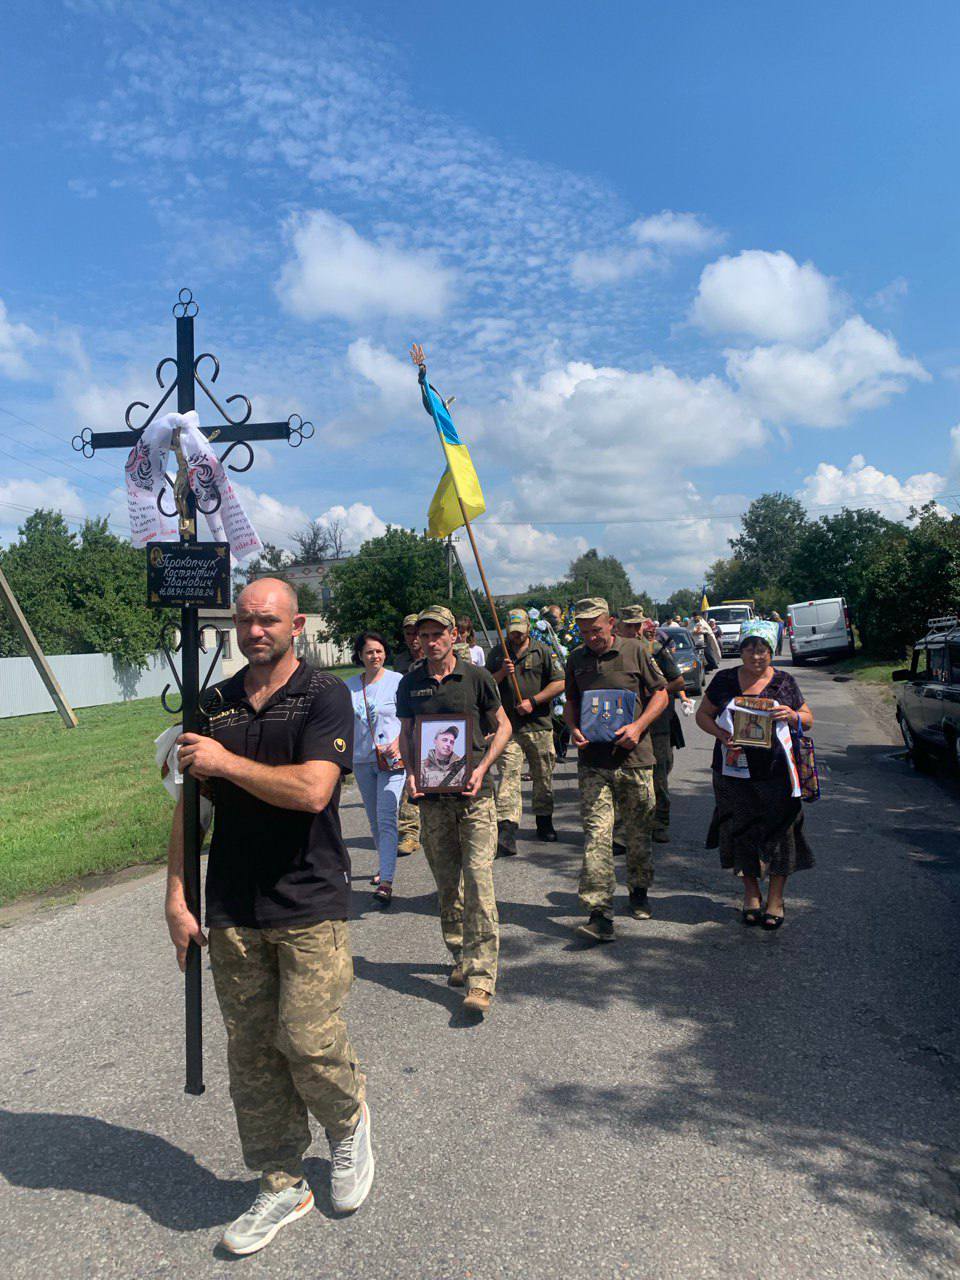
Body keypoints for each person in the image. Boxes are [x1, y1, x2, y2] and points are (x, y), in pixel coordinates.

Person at [167, 578, 372, 1257]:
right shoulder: (212, 703)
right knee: (252, 1055)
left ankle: (347, 1127)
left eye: (269, 620)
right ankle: (282, 1180)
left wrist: (227, 760)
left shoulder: (325, 695)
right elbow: (188, 806)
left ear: (297, 624)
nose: (256, 632)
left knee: (307, 1040)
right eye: (247, 621)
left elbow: (315, 790)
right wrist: (176, 895)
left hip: (308, 898)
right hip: (230, 903)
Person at [397, 605, 512, 1015]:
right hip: (432, 803)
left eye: (437, 634)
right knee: (447, 886)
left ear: (453, 636)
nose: (429, 641)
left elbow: (503, 725)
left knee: (479, 881)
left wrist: (483, 767)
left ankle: (482, 979)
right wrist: (411, 773)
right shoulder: (410, 684)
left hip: (474, 798)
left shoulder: (476, 677)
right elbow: (408, 733)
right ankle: (461, 955)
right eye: (423, 635)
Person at [695, 619, 814, 930]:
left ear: (771, 652)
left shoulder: (785, 682)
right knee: (741, 830)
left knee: (782, 834)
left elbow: (808, 718)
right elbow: (702, 716)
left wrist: (792, 715)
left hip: (777, 772)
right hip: (733, 772)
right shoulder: (723, 680)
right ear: (742, 650)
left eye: (762, 649)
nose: (756, 656)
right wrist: (722, 735)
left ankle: (775, 899)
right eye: (750, 649)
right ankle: (751, 895)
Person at [563, 598, 668, 940]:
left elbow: (661, 695)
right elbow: (572, 703)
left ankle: (638, 890)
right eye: (583, 630)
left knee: (638, 835)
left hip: (635, 762)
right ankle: (599, 913)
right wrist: (573, 728)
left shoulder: (636, 650)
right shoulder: (576, 658)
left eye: (596, 629)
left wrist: (638, 727)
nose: (590, 636)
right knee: (597, 836)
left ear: (610, 622)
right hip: (593, 763)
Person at [487, 608, 566, 854]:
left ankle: (544, 821)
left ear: (528, 630)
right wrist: (502, 672)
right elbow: (486, 685)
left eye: (520, 632)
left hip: (538, 726)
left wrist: (534, 701)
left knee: (543, 776)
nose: (516, 637)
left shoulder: (542, 651)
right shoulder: (498, 652)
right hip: (508, 729)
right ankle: (507, 830)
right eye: (512, 632)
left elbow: (560, 682)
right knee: (508, 777)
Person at [346, 632, 405, 907]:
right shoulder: (349, 687)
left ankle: (387, 881)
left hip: (391, 761)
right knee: (373, 819)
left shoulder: (397, 682)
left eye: (379, 651)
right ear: (360, 655)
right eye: (369, 652)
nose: (375, 656)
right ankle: (384, 864)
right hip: (362, 760)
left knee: (386, 818)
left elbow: (408, 719)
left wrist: (397, 743)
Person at [638, 616, 686, 844]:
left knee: (659, 774)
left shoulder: (655, 650)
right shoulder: (620, 650)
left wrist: (657, 691)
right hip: (631, 722)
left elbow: (678, 682)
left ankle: (660, 822)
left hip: (659, 723)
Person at [392, 614, 423, 856]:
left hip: (438, 726)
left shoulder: (437, 656)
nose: (413, 638)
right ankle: (410, 832)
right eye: (409, 633)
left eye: (417, 632)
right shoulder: (401, 660)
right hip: (411, 725)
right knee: (408, 779)